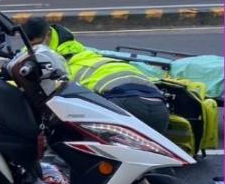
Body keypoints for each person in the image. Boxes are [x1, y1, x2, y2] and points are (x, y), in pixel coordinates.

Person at [22, 18, 170, 133]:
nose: (34, 48)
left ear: (48, 36)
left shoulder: (56, 64)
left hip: (122, 102)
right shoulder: (84, 52)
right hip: (159, 104)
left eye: (36, 43)